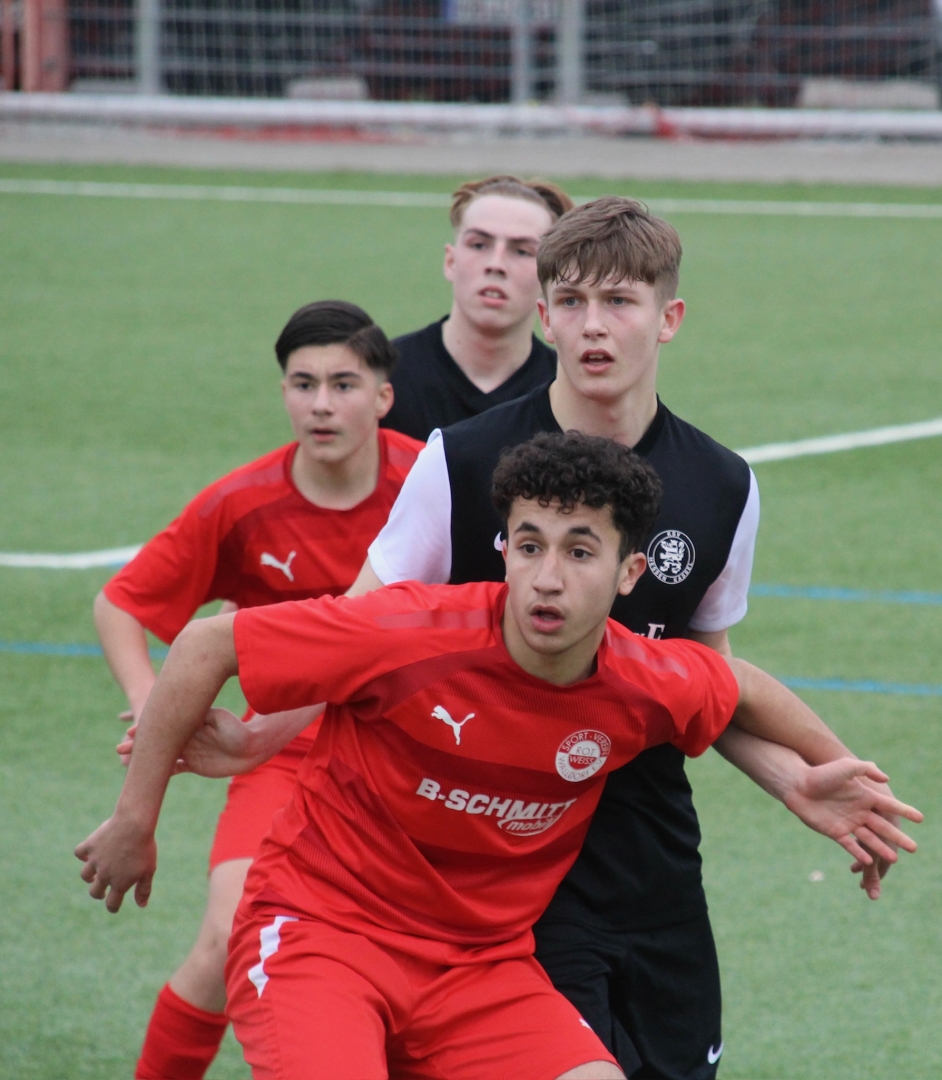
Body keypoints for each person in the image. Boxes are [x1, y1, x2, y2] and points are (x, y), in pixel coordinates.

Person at [75, 432, 921, 1080]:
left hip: (478, 969)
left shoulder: (642, 679)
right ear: (504, 551)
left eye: (580, 551)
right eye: (529, 544)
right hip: (319, 937)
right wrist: (134, 823)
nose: (548, 576)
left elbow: (740, 687)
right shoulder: (407, 630)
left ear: (629, 573)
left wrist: (822, 770)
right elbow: (205, 645)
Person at [349, 198, 901, 1078]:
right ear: (545, 317)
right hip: (501, 870)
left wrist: (796, 782)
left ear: (668, 318)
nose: (593, 326)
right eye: (571, 302)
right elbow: (353, 636)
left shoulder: (722, 485)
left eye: (619, 302)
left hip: (651, 864)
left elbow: (704, 685)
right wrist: (259, 735)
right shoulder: (462, 460)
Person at [92, 300, 423, 1080]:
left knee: (414, 959)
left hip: (407, 756)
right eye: (303, 384)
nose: (321, 404)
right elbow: (121, 603)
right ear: (283, 394)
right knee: (226, 938)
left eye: (343, 384)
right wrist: (151, 702)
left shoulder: (427, 488)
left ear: (382, 396)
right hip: (278, 753)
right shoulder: (243, 503)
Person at [381, 174, 572, 441]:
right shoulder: (384, 377)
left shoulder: (568, 391)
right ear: (450, 261)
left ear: (549, 277)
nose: (496, 264)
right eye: (479, 245)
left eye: (522, 251)